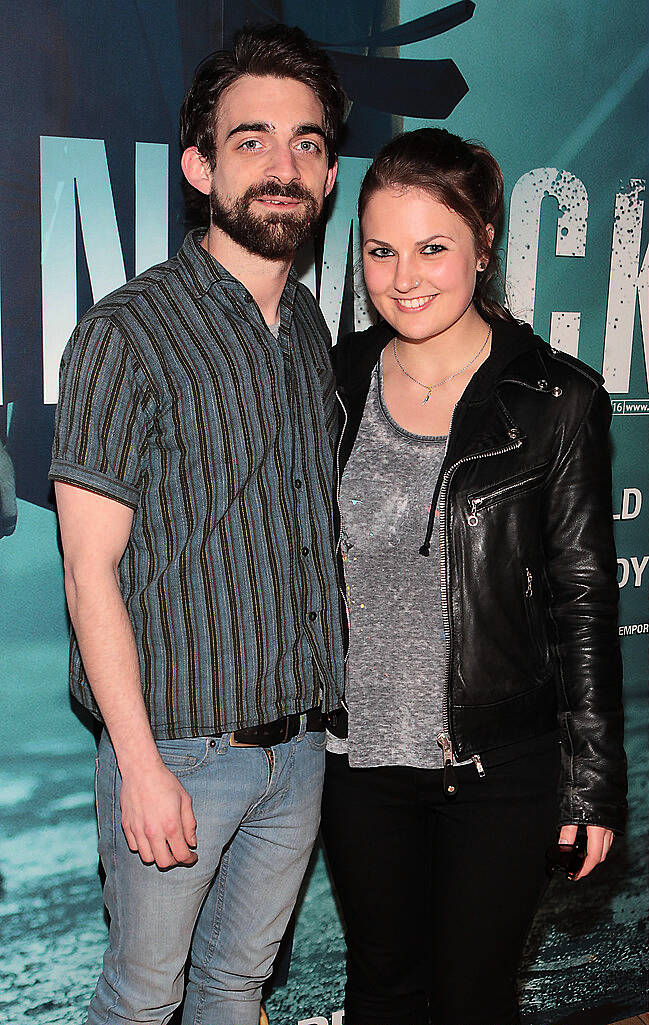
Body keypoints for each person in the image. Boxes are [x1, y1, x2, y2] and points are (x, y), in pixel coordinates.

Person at [49, 24, 347, 1025]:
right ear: (198, 165)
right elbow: (89, 570)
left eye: (306, 142)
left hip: (296, 748)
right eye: (252, 139)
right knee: (141, 996)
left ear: (329, 172)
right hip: (176, 746)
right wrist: (138, 763)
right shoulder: (124, 332)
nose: (282, 164)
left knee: (236, 986)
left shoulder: (308, 327)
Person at [320, 127, 627, 1025]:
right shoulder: (332, 381)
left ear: (483, 244)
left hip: (499, 765)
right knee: (380, 992)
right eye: (380, 249)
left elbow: (581, 596)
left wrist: (592, 781)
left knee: (471, 1004)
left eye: (432, 247)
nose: (402, 275)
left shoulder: (556, 400)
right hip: (358, 762)